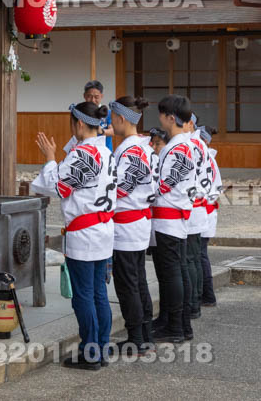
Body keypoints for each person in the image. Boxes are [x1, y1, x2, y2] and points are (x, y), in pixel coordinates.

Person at [33, 101, 115, 370]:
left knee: (84, 294)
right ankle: (100, 347)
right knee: (98, 292)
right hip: (103, 228)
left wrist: (49, 158)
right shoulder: (105, 153)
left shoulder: (84, 155)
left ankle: (90, 352)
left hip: (85, 232)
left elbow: (57, 187)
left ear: (79, 124)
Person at [108, 96, 157, 354]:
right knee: (139, 282)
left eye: (112, 118)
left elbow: (120, 189)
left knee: (128, 284)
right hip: (140, 221)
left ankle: (136, 338)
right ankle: (145, 335)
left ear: (122, 118)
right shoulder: (147, 148)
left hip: (126, 226)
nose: (110, 123)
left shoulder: (128, 151)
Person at [150, 95, 197, 343]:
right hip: (174, 216)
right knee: (174, 272)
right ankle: (175, 322)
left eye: (161, 115)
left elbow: (162, 185)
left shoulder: (177, 147)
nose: (159, 119)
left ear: (170, 118)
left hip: (168, 217)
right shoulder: (182, 145)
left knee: (171, 274)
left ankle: (177, 326)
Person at [183, 114, 208, 321]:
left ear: (190, 124)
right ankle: (196, 299)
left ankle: (192, 303)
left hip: (191, 207)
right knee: (195, 256)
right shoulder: (199, 143)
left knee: (190, 257)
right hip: (198, 207)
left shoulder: (191, 144)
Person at [199, 127, 223, 307]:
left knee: (200, 255)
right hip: (206, 210)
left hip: (203, 211)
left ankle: (207, 294)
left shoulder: (205, 158)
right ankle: (206, 294)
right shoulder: (208, 157)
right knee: (200, 255)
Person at [64, 80, 115, 153]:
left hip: (105, 151)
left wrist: (102, 131)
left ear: (101, 96)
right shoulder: (79, 112)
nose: (93, 100)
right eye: (89, 96)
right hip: (84, 151)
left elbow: (113, 131)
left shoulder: (107, 113)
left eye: (96, 97)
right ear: (84, 95)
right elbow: (74, 132)